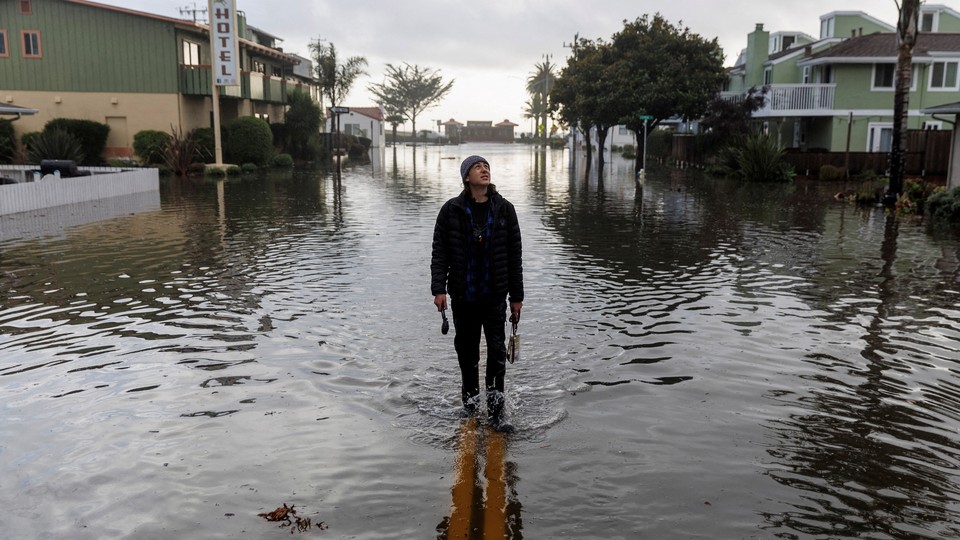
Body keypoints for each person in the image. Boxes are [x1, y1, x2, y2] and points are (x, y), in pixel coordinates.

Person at [431, 155, 524, 432]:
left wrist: (516, 298)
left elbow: (514, 256)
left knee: (496, 354)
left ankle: (496, 414)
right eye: (477, 167)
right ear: (466, 178)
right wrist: (439, 289)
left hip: (495, 296)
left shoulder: (505, 209)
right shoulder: (451, 210)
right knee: (467, 353)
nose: (484, 170)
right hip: (463, 296)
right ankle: (470, 407)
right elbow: (440, 252)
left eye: (486, 167)